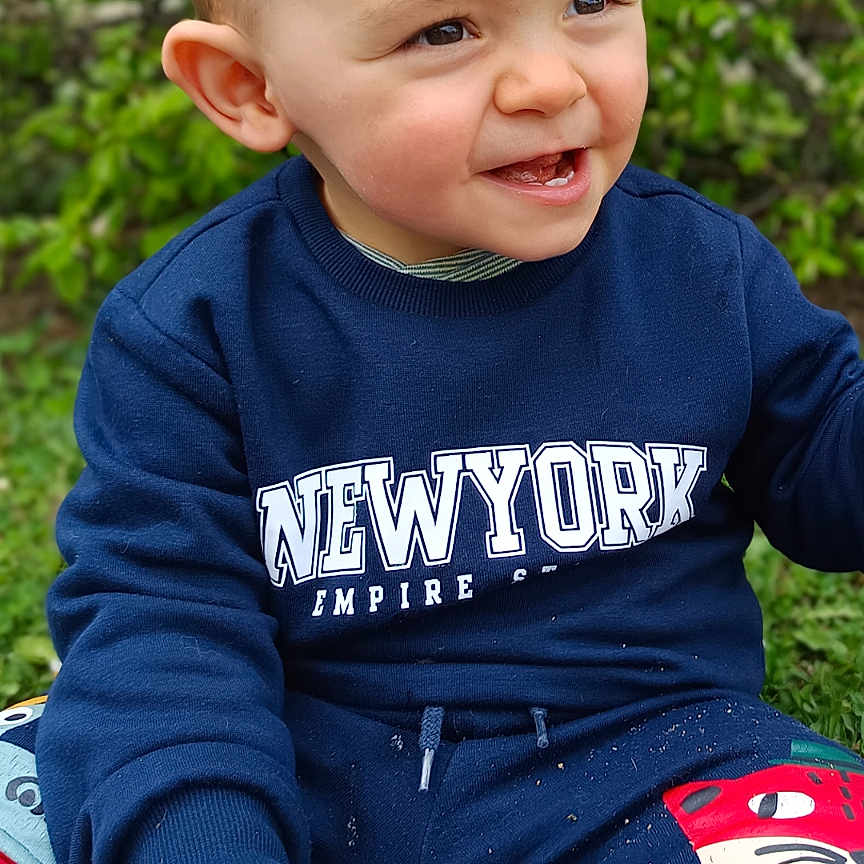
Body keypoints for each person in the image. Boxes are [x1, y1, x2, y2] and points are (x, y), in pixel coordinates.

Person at [3, 0, 863, 861]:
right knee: (60, 762)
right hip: (294, 759)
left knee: (817, 832)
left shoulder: (702, 267)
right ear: (251, 88)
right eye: (444, 31)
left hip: (651, 760)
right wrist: (199, 828)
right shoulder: (195, 325)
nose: (549, 81)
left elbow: (829, 473)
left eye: (589, 3)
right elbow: (161, 622)